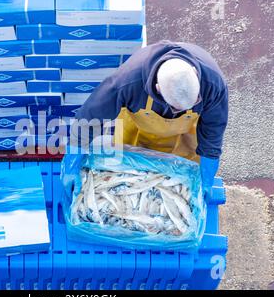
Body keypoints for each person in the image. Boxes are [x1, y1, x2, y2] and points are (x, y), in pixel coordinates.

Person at [73, 40, 229, 203]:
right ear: (158, 88)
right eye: (175, 108)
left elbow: (213, 135)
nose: (179, 112)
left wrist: (206, 181)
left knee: (183, 184)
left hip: (185, 135)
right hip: (136, 133)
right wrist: (72, 165)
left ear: (195, 74)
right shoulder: (128, 81)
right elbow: (88, 119)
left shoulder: (214, 84)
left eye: (194, 102)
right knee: (128, 177)